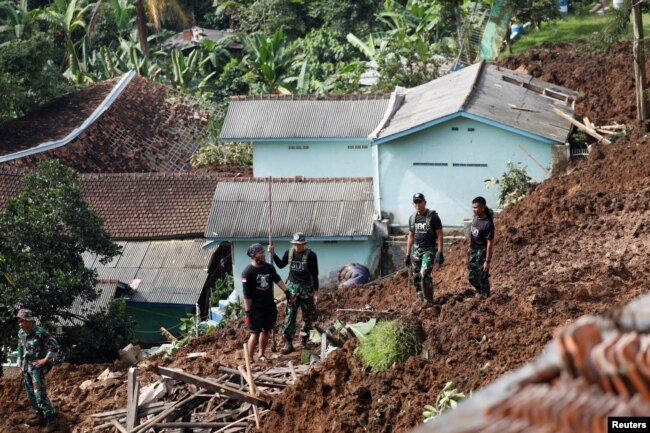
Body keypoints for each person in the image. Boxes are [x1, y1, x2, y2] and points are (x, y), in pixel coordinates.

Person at [269, 232, 319, 354]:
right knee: (290, 315)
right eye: (296, 244)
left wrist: (316, 292)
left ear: (304, 244)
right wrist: (273, 254)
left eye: (300, 244)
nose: (298, 246)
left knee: (306, 316)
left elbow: (314, 275)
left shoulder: (311, 256)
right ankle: (288, 343)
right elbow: (281, 265)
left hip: (306, 289)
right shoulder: (289, 253)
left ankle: (303, 341)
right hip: (292, 289)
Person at [242, 243, 289, 364]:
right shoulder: (247, 272)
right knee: (255, 332)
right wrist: (248, 312)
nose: (263, 254)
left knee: (266, 330)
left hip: (268, 305)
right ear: (253, 255)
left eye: (263, 252)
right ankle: (250, 359)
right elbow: (246, 296)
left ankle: (261, 354)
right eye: (260, 252)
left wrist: (287, 292)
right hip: (255, 308)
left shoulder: (269, 268)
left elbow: (277, 279)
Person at [16, 308, 59, 432]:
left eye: (21, 321)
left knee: (39, 393)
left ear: (28, 320)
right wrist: (19, 360)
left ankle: (51, 418)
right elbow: (20, 346)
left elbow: (54, 345)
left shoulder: (40, 332)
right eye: (18, 321)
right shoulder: (21, 332)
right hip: (26, 366)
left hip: (37, 367)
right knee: (30, 393)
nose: (19, 323)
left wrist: (45, 360)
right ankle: (39, 415)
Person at [405, 193, 444, 302]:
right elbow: (410, 236)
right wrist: (407, 254)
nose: (418, 204)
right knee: (416, 276)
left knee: (425, 274)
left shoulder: (433, 217)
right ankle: (420, 300)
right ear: (413, 204)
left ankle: (429, 301)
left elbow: (440, 235)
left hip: (429, 250)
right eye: (416, 202)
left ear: (425, 203)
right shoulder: (412, 218)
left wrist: (440, 253)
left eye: (420, 202)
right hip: (416, 251)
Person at [468, 196, 494, 297]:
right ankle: (482, 293)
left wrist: (487, 261)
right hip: (473, 251)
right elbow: (472, 235)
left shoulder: (488, 224)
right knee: (471, 277)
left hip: (481, 252)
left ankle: (486, 297)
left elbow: (489, 243)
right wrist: (469, 249)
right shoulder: (475, 219)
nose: (473, 210)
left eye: (476, 207)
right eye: (473, 207)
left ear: (483, 208)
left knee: (482, 277)